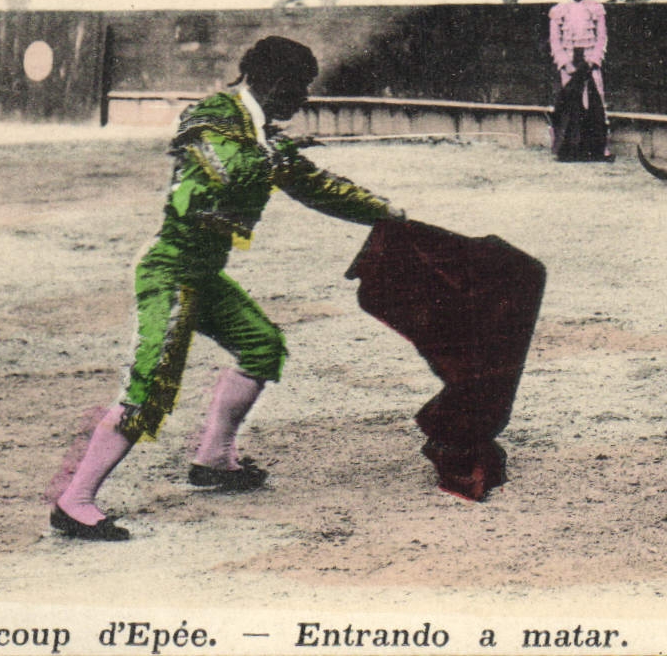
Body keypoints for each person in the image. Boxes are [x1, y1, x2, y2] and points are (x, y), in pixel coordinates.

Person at [49, 36, 404, 540]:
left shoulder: (264, 136)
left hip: (203, 274)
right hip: (171, 271)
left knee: (262, 345)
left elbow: (316, 187)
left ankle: (214, 458)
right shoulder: (212, 115)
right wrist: (275, 155)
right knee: (151, 386)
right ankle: (75, 501)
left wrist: (383, 211)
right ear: (270, 82)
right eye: (298, 85)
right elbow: (225, 169)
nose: (303, 97)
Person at [548, 0, 611, 162]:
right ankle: (569, 149)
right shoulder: (559, 10)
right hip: (570, 60)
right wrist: (565, 64)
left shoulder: (595, 8)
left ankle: (598, 149)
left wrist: (593, 60)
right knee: (570, 103)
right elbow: (555, 40)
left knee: (595, 99)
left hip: (589, 59)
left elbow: (601, 37)